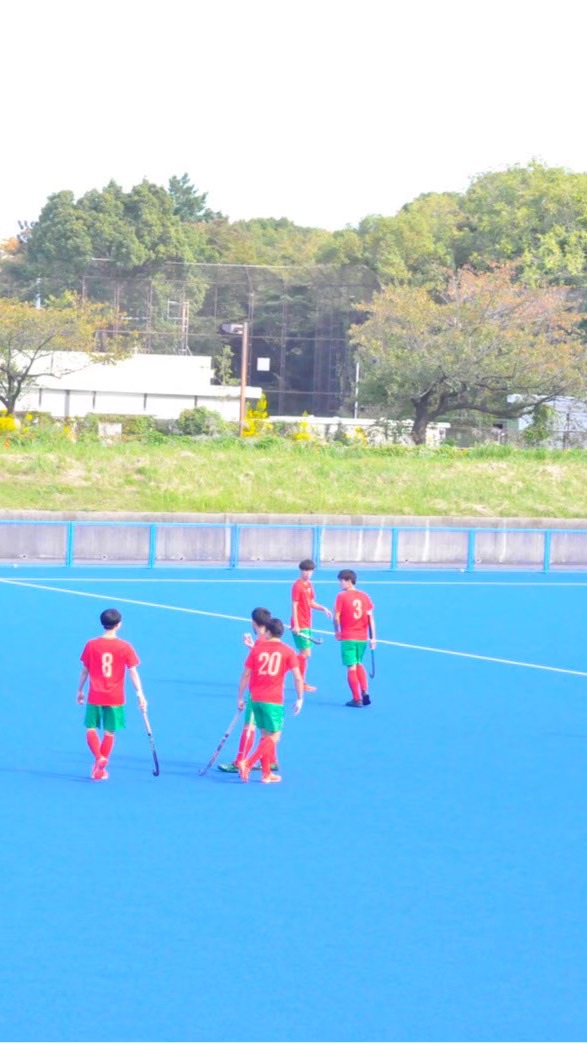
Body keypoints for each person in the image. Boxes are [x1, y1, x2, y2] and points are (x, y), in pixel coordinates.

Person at [77, 608, 147, 780]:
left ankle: (98, 758)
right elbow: (133, 672)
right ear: (119, 625)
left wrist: (79, 690)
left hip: (95, 695)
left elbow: (84, 671)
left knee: (91, 728)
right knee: (109, 732)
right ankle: (100, 766)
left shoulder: (91, 644)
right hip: (115, 697)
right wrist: (140, 694)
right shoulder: (124, 647)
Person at [237, 617, 304, 784]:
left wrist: (240, 696)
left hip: (255, 698)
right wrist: (300, 698)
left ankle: (266, 774)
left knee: (265, 735)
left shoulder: (257, 650)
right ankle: (248, 763)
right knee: (275, 736)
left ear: (267, 631)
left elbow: (245, 674)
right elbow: (297, 677)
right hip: (273, 699)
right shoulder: (288, 651)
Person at [217, 606, 278, 774]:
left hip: (258, 692)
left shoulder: (261, 643)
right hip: (273, 694)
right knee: (267, 730)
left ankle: (240, 762)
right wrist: (252, 647)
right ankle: (271, 760)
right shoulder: (268, 640)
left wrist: (240, 696)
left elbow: (247, 673)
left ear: (254, 623)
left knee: (249, 726)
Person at [333, 569, 376, 707]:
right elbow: (371, 619)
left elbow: (336, 617)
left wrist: (337, 631)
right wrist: (373, 638)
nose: (339, 583)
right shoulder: (365, 596)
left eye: (341, 581)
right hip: (362, 637)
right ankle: (365, 691)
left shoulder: (341, 596)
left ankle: (356, 698)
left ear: (349, 581)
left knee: (351, 667)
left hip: (348, 637)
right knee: (359, 663)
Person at [290, 558, 332, 692]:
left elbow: (310, 603)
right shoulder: (297, 586)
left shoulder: (309, 585)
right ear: (301, 571)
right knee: (305, 653)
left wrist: (323, 608)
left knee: (305, 654)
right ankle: (300, 681)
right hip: (300, 624)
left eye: (310, 571)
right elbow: (294, 605)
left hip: (307, 623)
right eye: (305, 570)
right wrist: (296, 624)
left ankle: (294, 674)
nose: (307, 573)